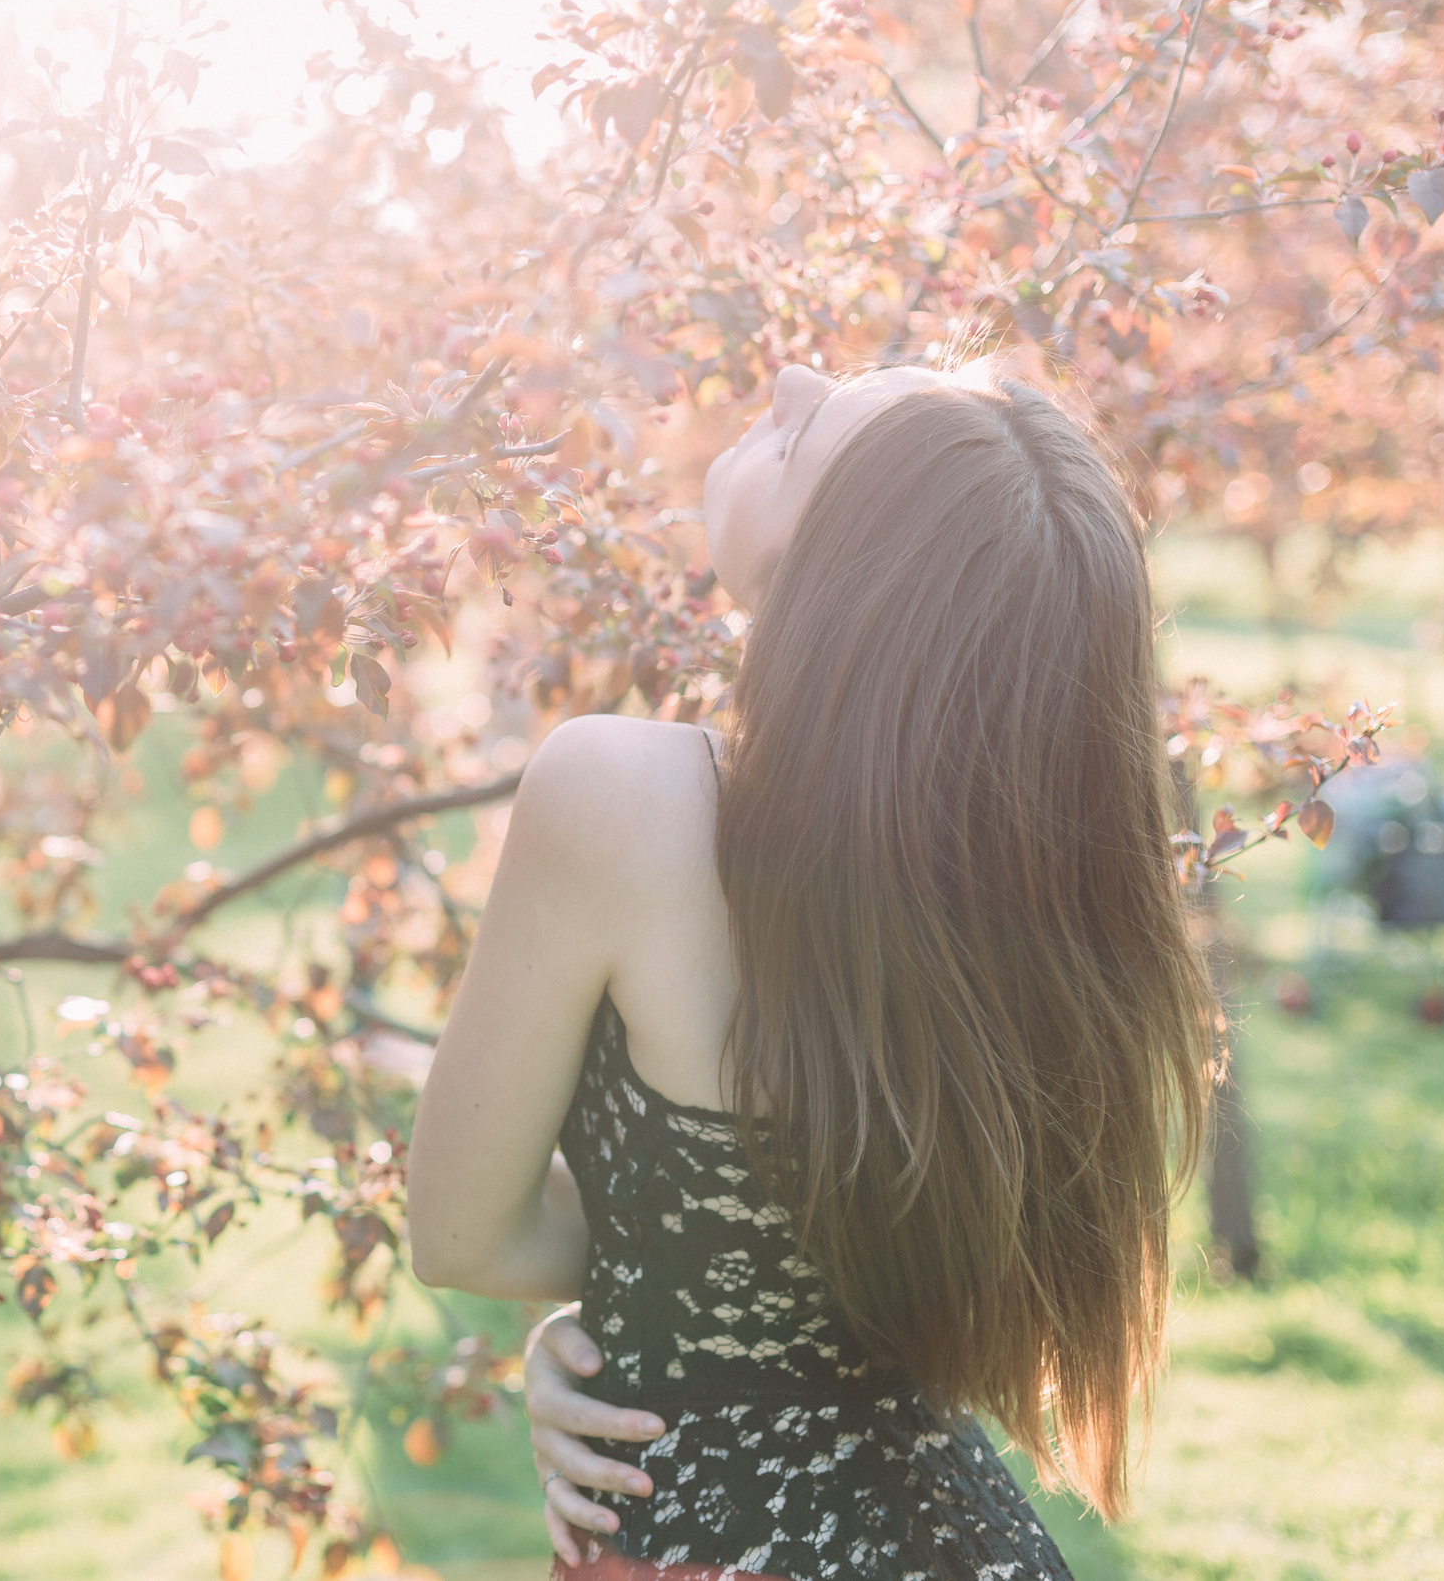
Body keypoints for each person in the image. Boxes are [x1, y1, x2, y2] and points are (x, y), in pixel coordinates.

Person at [404, 358, 1216, 1580]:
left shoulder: (620, 800)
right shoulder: (1040, 876)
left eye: (807, 436)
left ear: (840, 578)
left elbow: (460, 1232)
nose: (781, 380)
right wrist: (627, 1307)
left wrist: (633, 1305)